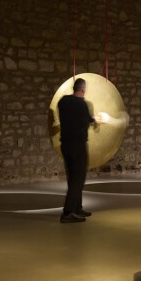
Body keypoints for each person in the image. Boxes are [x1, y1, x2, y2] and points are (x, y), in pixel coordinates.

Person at [58, 78, 100, 223]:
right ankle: (68, 212)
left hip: (65, 144)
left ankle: (77, 208)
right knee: (78, 178)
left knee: (73, 177)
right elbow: (85, 120)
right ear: (83, 89)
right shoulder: (81, 104)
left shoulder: (63, 101)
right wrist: (95, 119)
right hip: (78, 145)